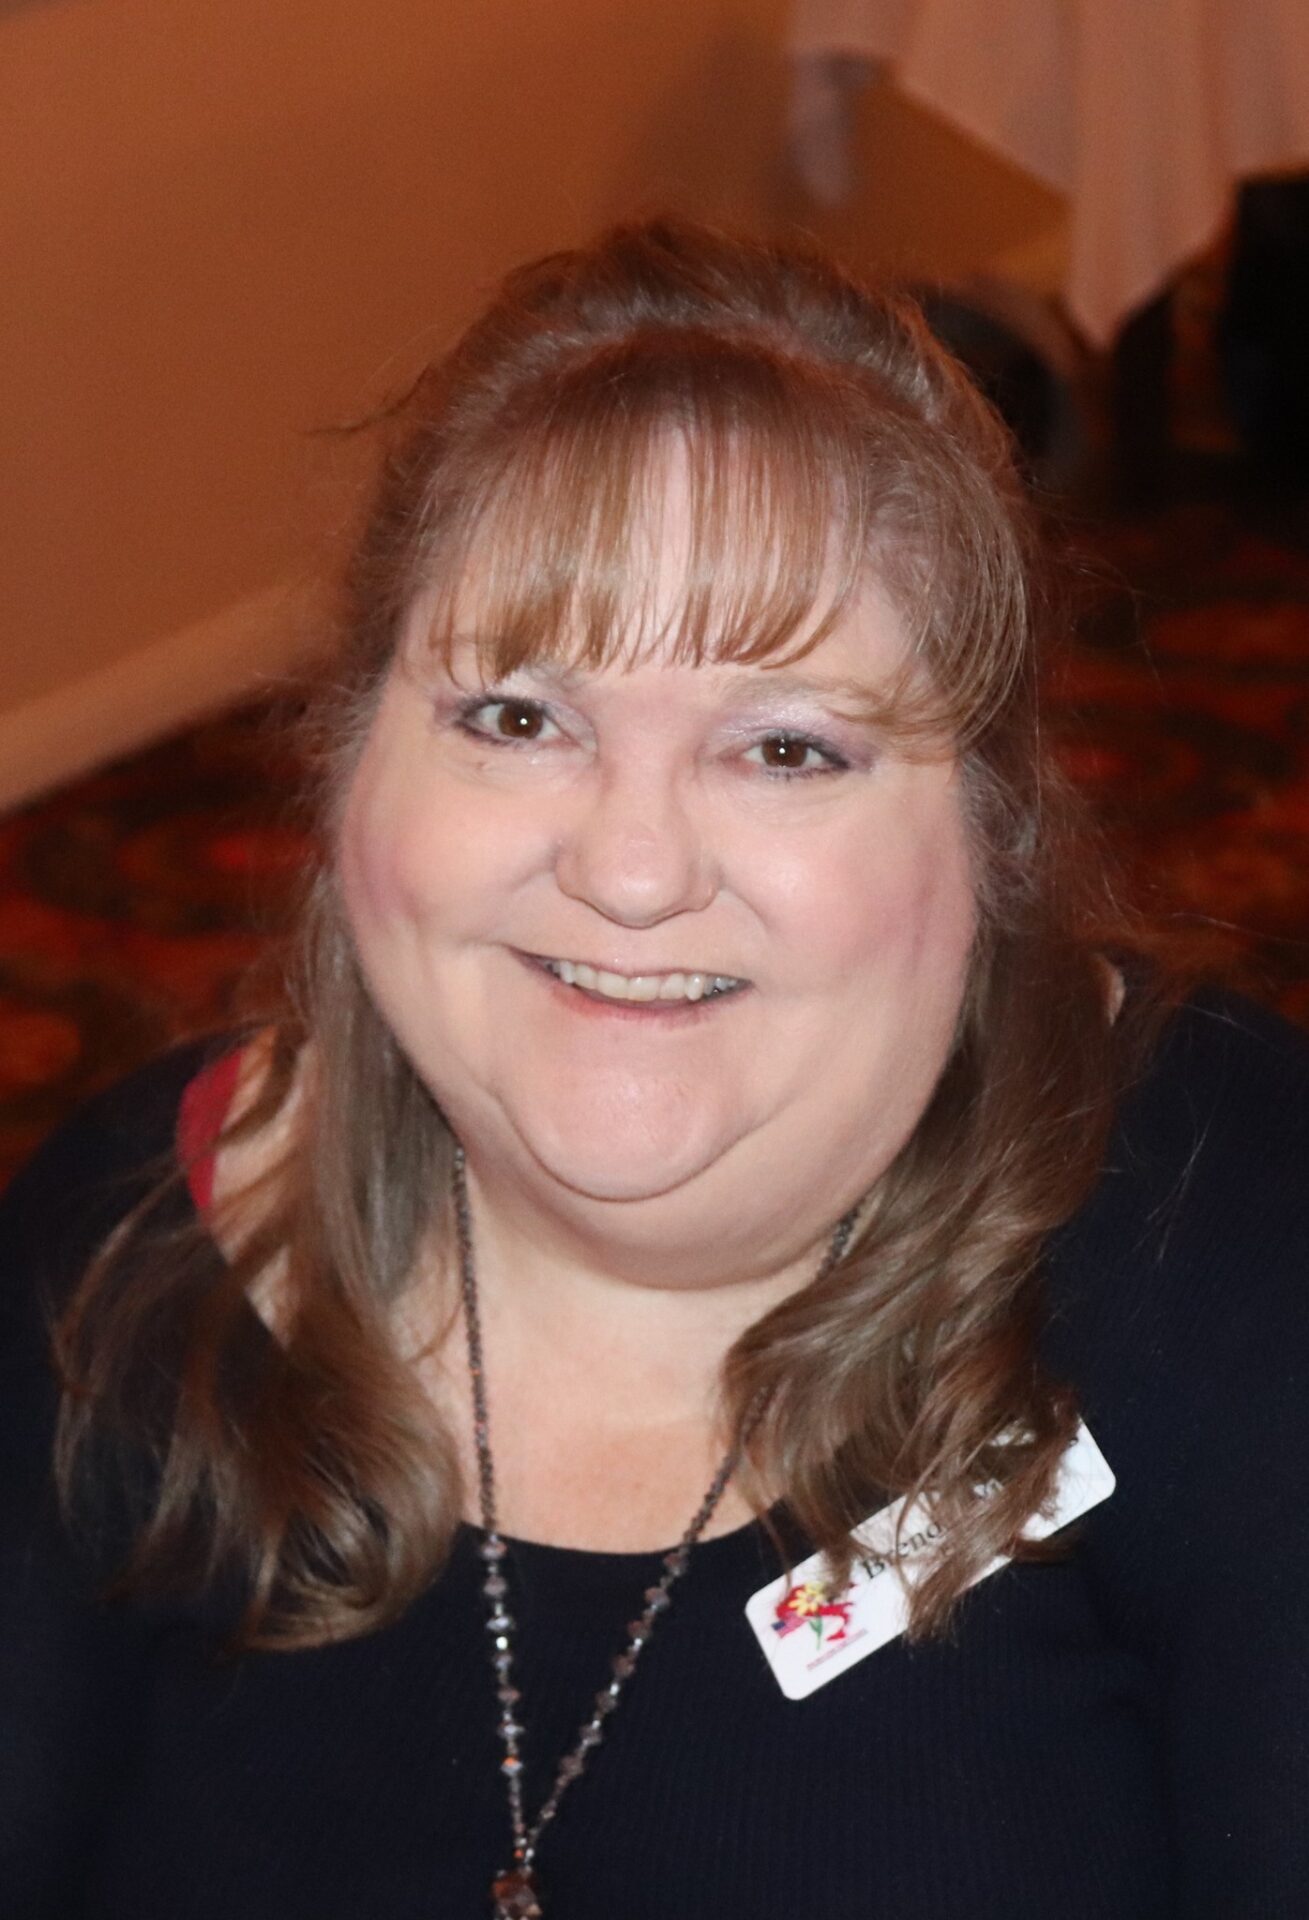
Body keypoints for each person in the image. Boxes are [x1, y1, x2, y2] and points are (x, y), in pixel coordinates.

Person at [2, 219, 1307, 1920]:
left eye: (786, 749)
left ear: (992, 842)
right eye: (516, 719)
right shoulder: (120, 1259)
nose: (628, 872)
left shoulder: (1238, 1247)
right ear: (346, 767)